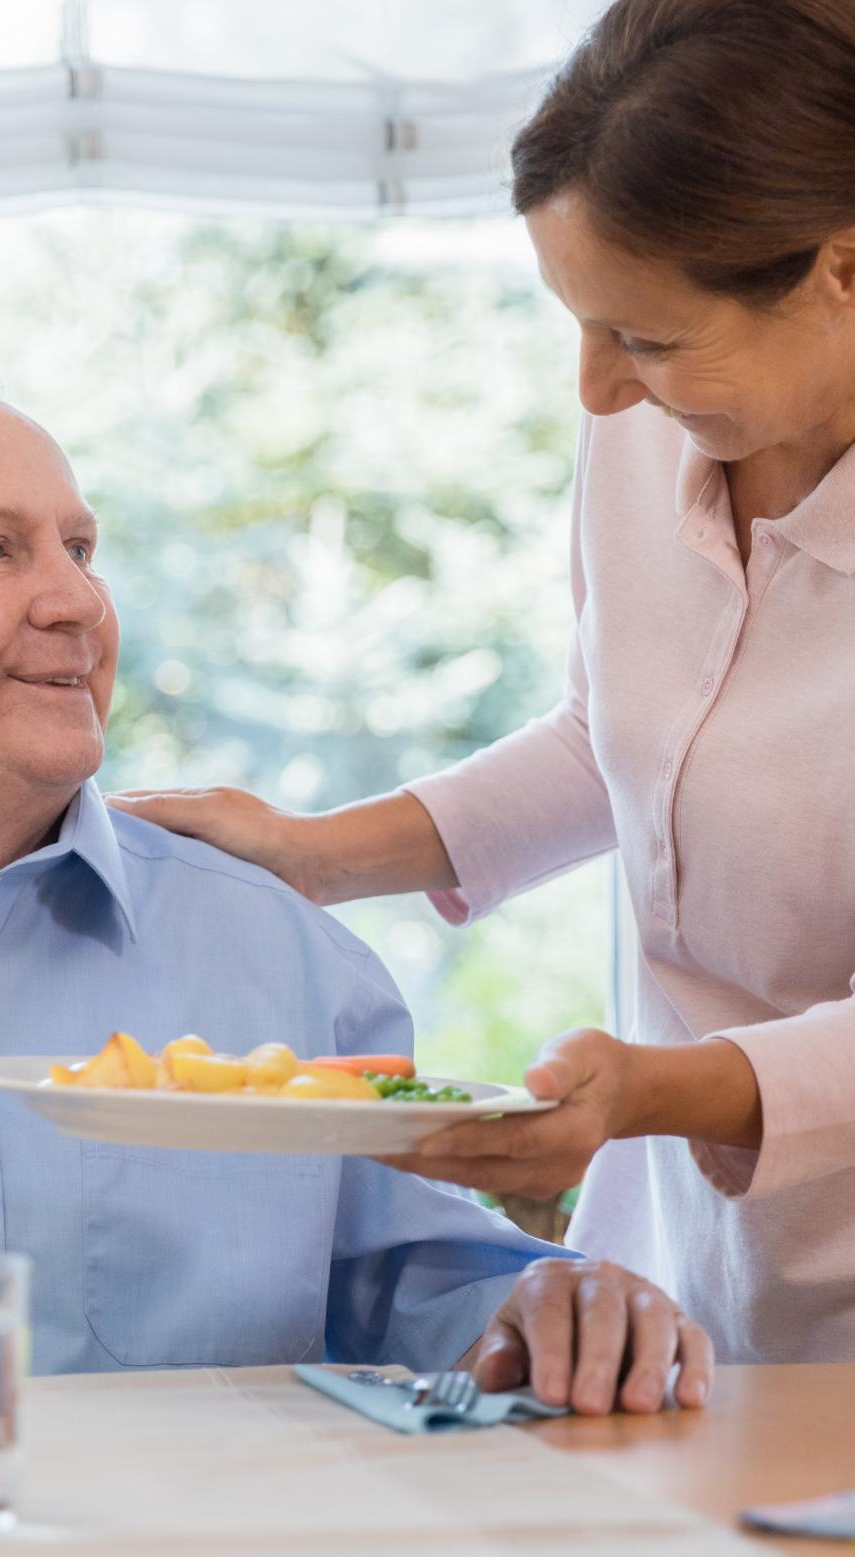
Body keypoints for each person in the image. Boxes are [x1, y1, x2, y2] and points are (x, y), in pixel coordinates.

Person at [0, 374, 710, 1410]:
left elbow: (417, 1285)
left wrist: (550, 1303)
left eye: (79, 550)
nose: (78, 601)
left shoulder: (278, 947)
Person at [107, 0, 855, 1366]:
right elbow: (621, 736)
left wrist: (651, 1090)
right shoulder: (656, 427)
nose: (596, 388)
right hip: (689, 1265)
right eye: (582, 325)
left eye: (648, 338)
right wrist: (316, 856)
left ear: (843, 270)